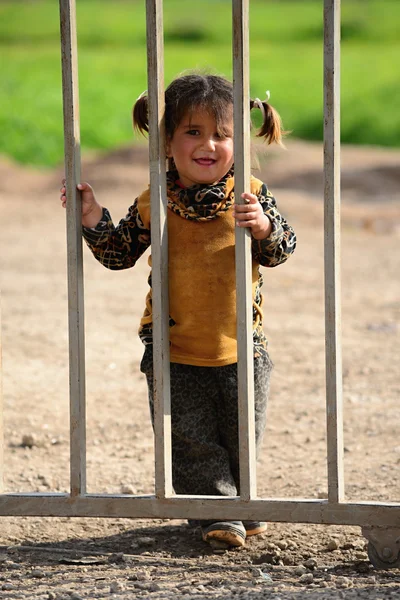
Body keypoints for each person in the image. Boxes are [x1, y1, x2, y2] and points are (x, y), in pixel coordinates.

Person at [60, 73, 296, 549]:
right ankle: (213, 513)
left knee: (241, 435)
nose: (207, 144)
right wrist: (92, 218)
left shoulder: (250, 194)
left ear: (240, 141)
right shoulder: (155, 200)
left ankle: (239, 503)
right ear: (168, 141)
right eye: (193, 132)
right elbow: (118, 253)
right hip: (175, 346)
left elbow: (281, 250)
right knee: (190, 441)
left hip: (242, 345)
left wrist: (266, 227)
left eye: (222, 134)